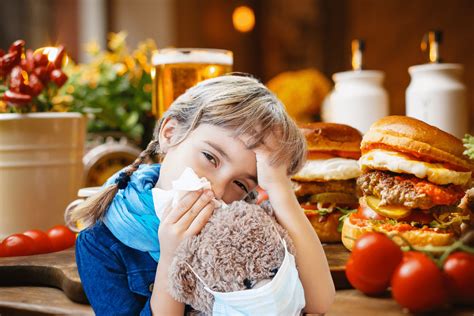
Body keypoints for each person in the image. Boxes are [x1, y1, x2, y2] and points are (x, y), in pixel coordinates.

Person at [73, 74, 336, 315]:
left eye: (241, 185)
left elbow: (318, 302)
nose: (218, 189)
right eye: (210, 157)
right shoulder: (100, 243)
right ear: (170, 133)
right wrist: (171, 260)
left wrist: (279, 185)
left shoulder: (249, 225)